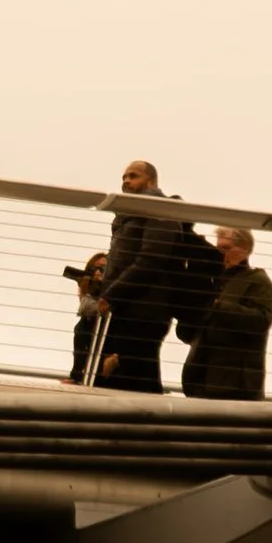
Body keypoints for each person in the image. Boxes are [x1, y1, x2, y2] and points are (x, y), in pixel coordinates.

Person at [94, 157, 208, 393]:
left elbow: (151, 259)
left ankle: (152, 424)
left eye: (133, 176)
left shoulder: (159, 209)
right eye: (124, 177)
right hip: (130, 307)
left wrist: (111, 295)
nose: (126, 181)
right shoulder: (132, 212)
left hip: (146, 309)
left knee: (136, 375)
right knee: (129, 374)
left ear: (151, 181)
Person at [178, 224, 272, 399]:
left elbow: (261, 321)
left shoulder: (258, 280)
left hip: (237, 386)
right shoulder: (214, 280)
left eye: (225, 248)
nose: (220, 254)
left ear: (245, 249)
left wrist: (218, 306)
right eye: (217, 249)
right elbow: (187, 334)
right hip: (201, 382)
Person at [65, 252, 110, 385]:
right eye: (93, 269)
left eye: (103, 268)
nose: (97, 272)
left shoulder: (113, 292)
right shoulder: (89, 293)